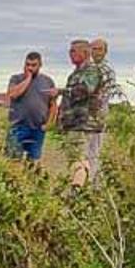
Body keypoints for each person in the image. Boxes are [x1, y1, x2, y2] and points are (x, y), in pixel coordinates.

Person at [56, 39, 109, 187]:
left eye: (73, 51)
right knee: (76, 161)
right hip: (73, 125)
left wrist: (60, 91)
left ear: (85, 53)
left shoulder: (92, 71)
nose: (70, 54)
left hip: (85, 124)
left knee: (81, 161)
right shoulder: (75, 74)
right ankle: (83, 192)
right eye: (69, 51)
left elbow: (84, 90)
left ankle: (78, 193)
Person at [4, 50, 57, 162]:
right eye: (28, 64)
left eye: (34, 65)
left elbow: (52, 105)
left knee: (33, 162)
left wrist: (48, 124)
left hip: (38, 128)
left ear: (40, 65)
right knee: (13, 161)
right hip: (18, 127)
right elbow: (13, 94)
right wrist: (28, 78)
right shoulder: (16, 79)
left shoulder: (48, 81)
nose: (30, 68)